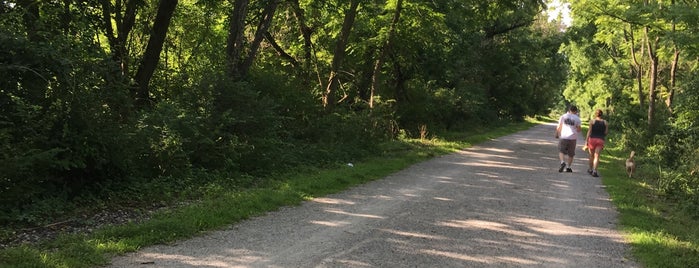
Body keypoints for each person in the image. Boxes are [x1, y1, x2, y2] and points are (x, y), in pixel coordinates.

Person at [555, 105, 582, 172]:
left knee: (561, 151)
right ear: (575, 111)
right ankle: (568, 167)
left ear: (569, 110)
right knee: (571, 153)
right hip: (573, 137)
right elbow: (579, 130)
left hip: (564, 136)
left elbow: (559, 126)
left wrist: (557, 133)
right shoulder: (577, 118)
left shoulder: (563, 116)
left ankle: (562, 162)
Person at [585, 109, 608, 177]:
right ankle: (595, 171)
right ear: (602, 115)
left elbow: (589, 131)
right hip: (600, 140)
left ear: (595, 114)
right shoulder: (605, 122)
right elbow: (606, 132)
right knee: (597, 156)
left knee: (591, 155)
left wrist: (586, 140)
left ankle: (590, 169)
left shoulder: (592, 121)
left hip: (592, 139)